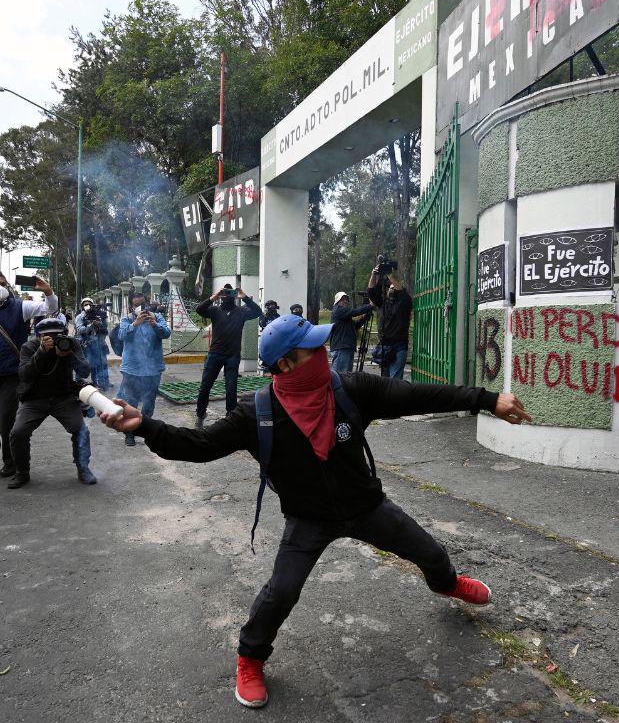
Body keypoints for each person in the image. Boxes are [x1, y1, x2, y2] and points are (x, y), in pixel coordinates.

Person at [99, 313, 532, 709]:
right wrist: (147, 426)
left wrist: (485, 398)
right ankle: (250, 658)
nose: (325, 353)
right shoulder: (257, 412)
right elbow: (199, 446)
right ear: (286, 364)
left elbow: (417, 394)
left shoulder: (350, 389)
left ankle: (448, 584)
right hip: (308, 519)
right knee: (280, 593)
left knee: (432, 554)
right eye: (314, 348)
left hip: (367, 507)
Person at [8, 316, 97, 488]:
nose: (54, 339)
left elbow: (85, 371)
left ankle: (83, 468)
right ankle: (22, 472)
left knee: (81, 430)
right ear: (39, 336)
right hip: (34, 399)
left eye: (57, 335)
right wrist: (41, 352)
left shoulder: (70, 344)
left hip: (63, 397)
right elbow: (24, 376)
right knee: (17, 432)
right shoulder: (30, 347)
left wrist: (69, 354)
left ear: (64, 333)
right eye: (47, 336)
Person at [0, 273, 57, 480]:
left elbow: (49, 309)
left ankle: (11, 464)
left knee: (6, 420)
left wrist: (48, 291)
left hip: (11, 374)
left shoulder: (20, 307)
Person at [194, 284, 262, 427]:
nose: (227, 295)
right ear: (221, 295)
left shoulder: (241, 311)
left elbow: (258, 312)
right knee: (205, 387)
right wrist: (214, 297)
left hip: (232, 356)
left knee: (231, 389)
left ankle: (231, 419)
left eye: (229, 293)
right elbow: (199, 309)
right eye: (224, 293)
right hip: (215, 354)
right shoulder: (215, 310)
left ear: (234, 296)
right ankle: (200, 415)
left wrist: (245, 298)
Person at [117, 293, 171, 447]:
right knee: (130, 403)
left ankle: (146, 431)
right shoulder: (127, 319)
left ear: (147, 304)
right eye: (136, 305)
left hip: (153, 369)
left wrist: (155, 324)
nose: (140, 307)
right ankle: (129, 433)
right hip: (132, 369)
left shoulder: (157, 317)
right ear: (132, 306)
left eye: (143, 304)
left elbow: (166, 334)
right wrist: (135, 324)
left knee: (148, 403)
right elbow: (121, 335)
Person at [367, 263, 413, 379]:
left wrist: (390, 275)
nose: (391, 289)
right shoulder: (383, 303)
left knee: (395, 380)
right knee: (385, 379)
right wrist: (373, 275)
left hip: (399, 345)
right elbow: (371, 292)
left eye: (394, 287)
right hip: (385, 345)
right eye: (390, 287)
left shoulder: (404, 302)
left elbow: (402, 292)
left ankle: (394, 397)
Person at [329, 291, 373, 375]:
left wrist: (364, 318)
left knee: (347, 376)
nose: (345, 301)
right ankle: (337, 388)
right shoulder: (338, 310)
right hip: (341, 347)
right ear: (337, 301)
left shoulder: (345, 316)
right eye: (343, 299)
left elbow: (355, 326)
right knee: (340, 375)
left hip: (347, 347)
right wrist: (370, 306)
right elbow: (354, 312)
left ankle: (343, 388)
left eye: (346, 299)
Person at [74, 297, 111, 391]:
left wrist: (101, 323)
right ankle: (77, 382)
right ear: (82, 306)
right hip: (84, 344)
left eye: (89, 304)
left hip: (97, 343)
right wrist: (91, 325)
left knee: (98, 363)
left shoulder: (97, 315)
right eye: (85, 304)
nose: (88, 306)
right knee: (85, 364)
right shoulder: (80, 317)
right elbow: (80, 330)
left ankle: (97, 382)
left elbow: (104, 330)